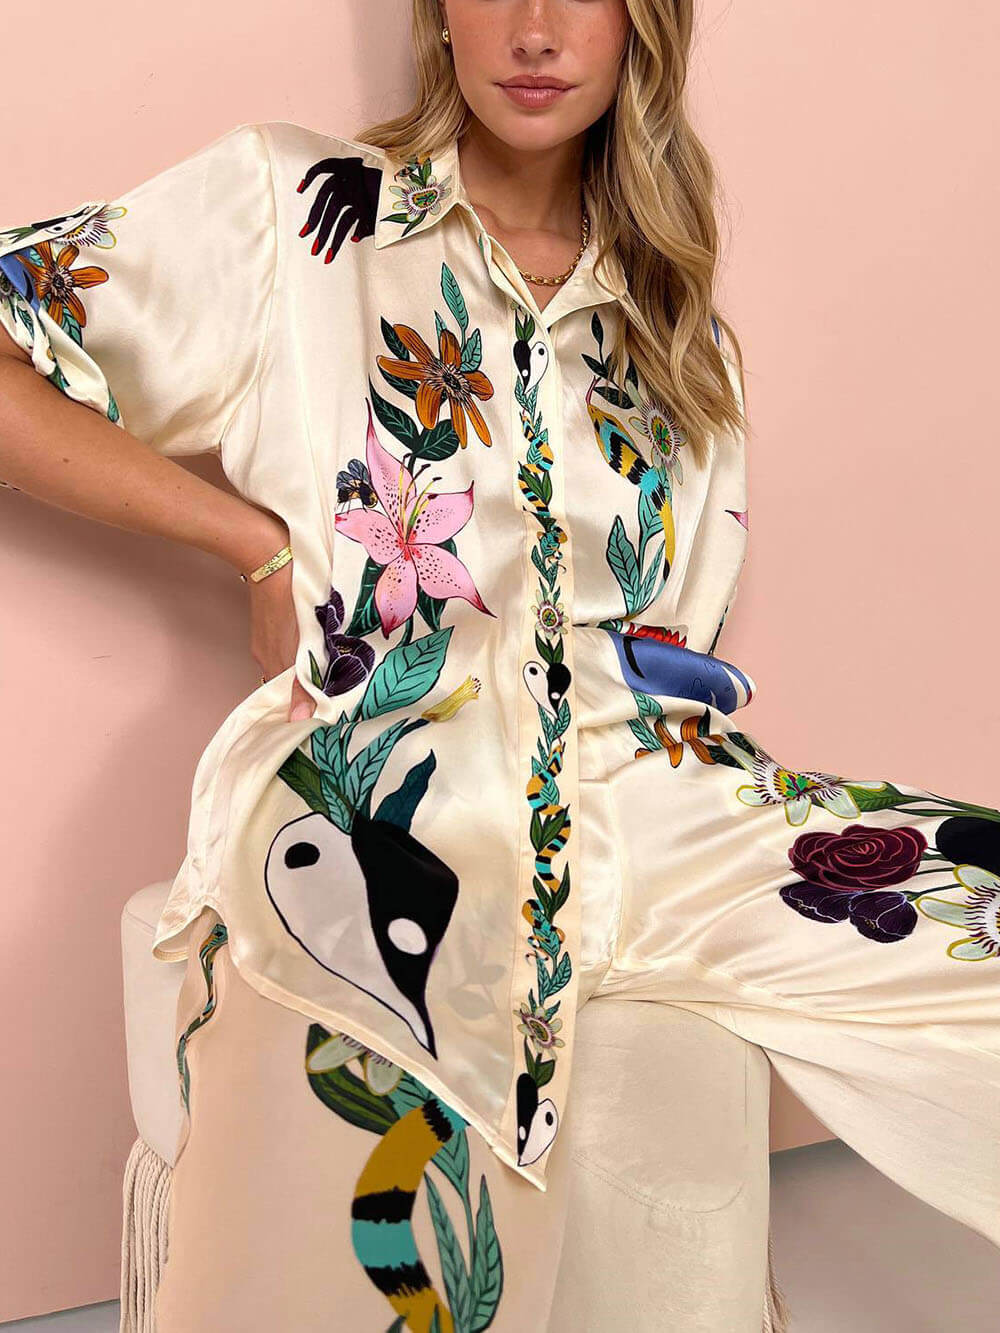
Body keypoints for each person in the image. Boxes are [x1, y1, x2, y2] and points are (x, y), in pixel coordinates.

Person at [2, 1, 998, 1329]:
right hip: (386, 799)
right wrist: (248, 543)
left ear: (643, 24)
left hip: (657, 800)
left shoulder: (673, 326)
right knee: (387, 1223)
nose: (535, 29)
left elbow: (676, 628)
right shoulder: (301, 215)